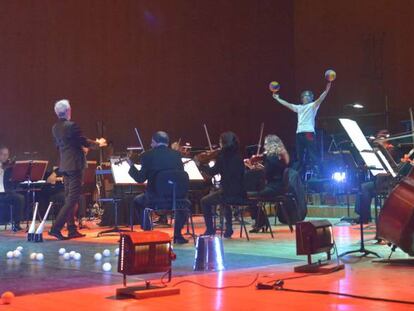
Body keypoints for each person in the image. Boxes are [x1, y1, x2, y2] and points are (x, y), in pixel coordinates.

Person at [49, 99, 106, 240]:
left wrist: (80, 148)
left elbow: (66, 145)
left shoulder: (55, 127)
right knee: (72, 199)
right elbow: (83, 141)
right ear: (68, 111)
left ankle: (72, 229)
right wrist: (98, 143)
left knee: (70, 198)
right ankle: (55, 228)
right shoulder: (71, 125)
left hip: (65, 165)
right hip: (75, 166)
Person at [128, 131, 189, 244]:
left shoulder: (147, 155)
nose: (151, 145)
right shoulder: (176, 155)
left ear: (155, 142)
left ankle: (147, 231)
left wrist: (131, 166)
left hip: (155, 198)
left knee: (137, 201)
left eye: (152, 143)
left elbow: (140, 179)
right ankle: (177, 235)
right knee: (184, 204)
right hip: (177, 199)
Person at [273, 82, 331, 176]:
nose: (306, 98)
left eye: (309, 96)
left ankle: (322, 175)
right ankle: (299, 177)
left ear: (311, 98)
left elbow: (320, 99)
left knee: (313, 155)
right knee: (300, 158)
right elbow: (287, 104)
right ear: (302, 98)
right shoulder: (298, 108)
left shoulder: (313, 106)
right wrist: (277, 98)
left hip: (308, 133)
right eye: (305, 96)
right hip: (299, 134)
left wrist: (326, 90)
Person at [198, 132, 246, 238]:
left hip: (228, 193)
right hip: (241, 193)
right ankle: (228, 229)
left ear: (223, 143)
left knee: (204, 201)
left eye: (220, 142)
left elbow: (211, 172)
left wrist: (201, 165)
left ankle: (210, 229)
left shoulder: (222, 157)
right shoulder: (239, 156)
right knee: (224, 200)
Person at [245, 135, 290, 232]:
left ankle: (261, 222)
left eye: (265, 144)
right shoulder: (280, 156)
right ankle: (261, 222)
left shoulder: (271, 158)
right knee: (253, 194)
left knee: (249, 196)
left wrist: (252, 168)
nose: (264, 147)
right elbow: (271, 172)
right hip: (279, 186)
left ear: (271, 145)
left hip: (274, 188)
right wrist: (261, 168)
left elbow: (266, 175)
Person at [355, 129, 401, 223]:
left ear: (386, 139)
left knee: (366, 188)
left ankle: (366, 217)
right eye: (378, 138)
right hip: (380, 181)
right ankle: (364, 216)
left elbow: (386, 163)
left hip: (389, 182)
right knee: (364, 187)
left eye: (381, 138)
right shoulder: (378, 150)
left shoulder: (391, 149)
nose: (378, 140)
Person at [0, 145, 24, 232]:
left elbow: (14, 179)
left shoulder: (8, 167)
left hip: (6, 193)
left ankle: (16, 224)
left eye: (7, 155)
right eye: (3, 154)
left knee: (20, 198)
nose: (5, 157)